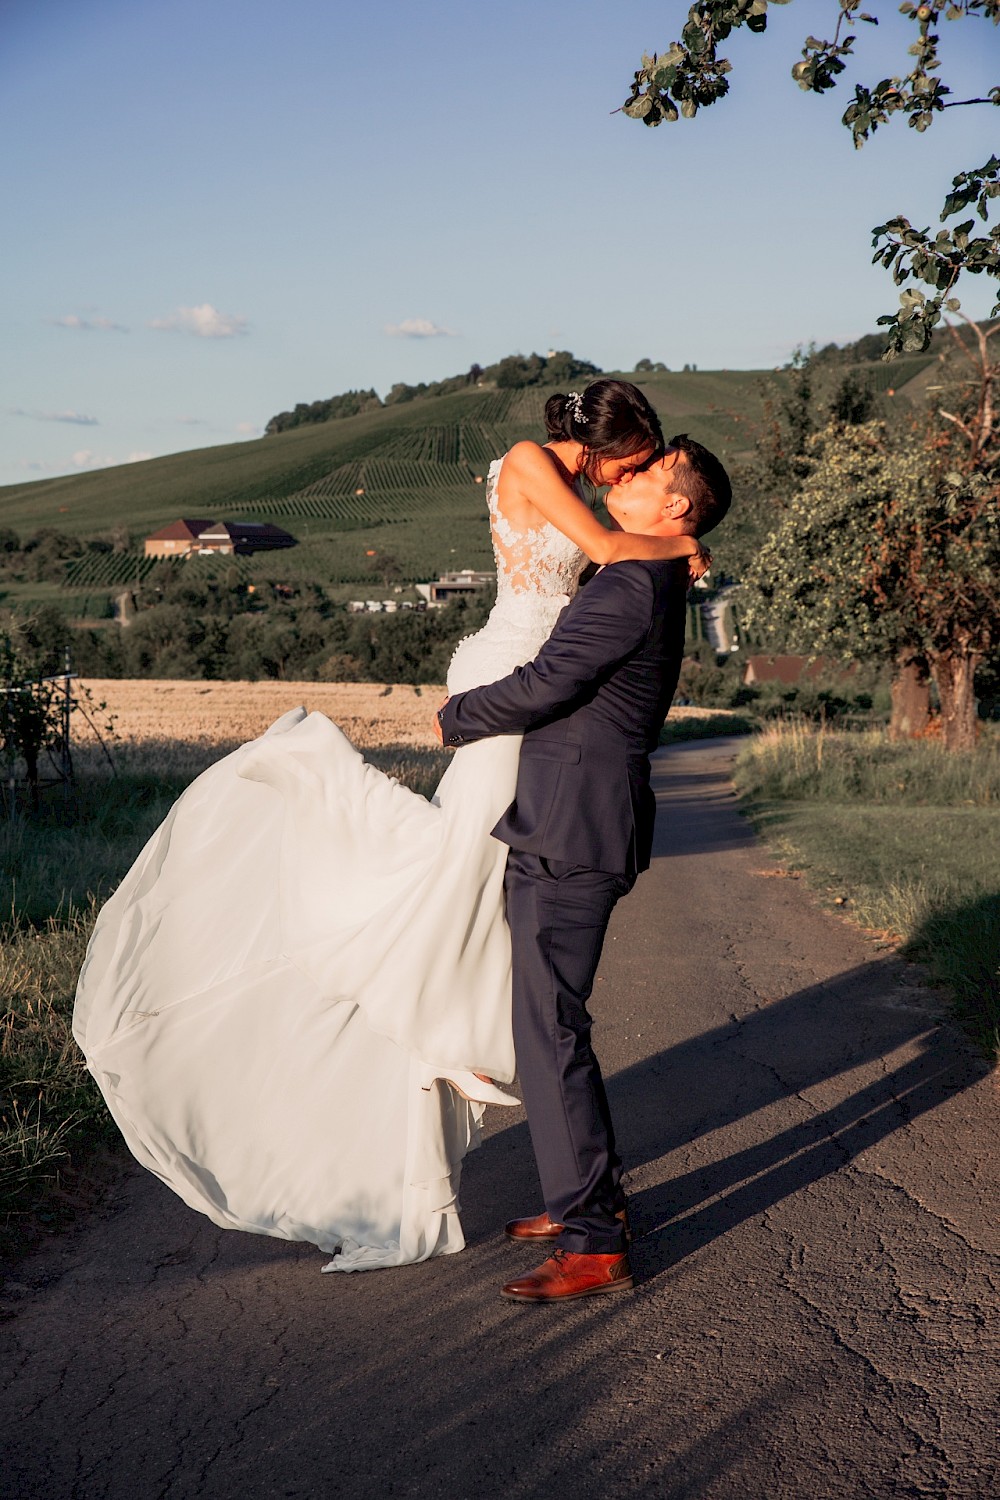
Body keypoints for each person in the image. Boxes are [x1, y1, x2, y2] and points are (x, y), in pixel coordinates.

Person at [73, 380, 709, 1273]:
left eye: (644, 473)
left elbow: (607, 560)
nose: (625, 479)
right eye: (629, 463)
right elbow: (605, 546)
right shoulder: (544, 473)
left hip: (533, 696)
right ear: (605, 448)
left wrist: (676, 542)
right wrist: (681, 541)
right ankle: (457, 1033)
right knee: (465, 872)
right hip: (511, 671)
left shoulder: (623, 551)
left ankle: (487, 1068)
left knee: (485, 885)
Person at [435, 437, 732, 1301]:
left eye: (643, 474)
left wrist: (456, 716)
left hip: (576, 825)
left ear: (675, 506)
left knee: (552, 1030)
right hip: (570, 817)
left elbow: (548, 681)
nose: (625, 480)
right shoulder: (652, 567)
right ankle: (582, 1204)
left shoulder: (637, 580)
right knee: (545, 1024)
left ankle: (595, 1238)